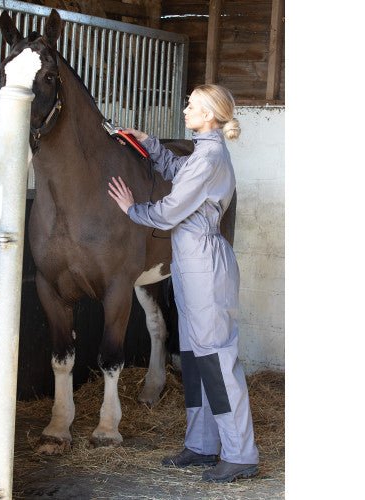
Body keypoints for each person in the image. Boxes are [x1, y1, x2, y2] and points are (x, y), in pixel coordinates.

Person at [107, 84, 259, 483]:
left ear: (209, 115)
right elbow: (179, 173)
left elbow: (170, 210)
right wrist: (149, 144)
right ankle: (202, 443)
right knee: (194, 357)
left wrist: (133, 209)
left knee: (216, 358)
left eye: (192, 105)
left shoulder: (209, 157)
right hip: (191, 264)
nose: (185, 108)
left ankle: (240, 453)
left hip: (206, 264)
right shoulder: (203, 154)